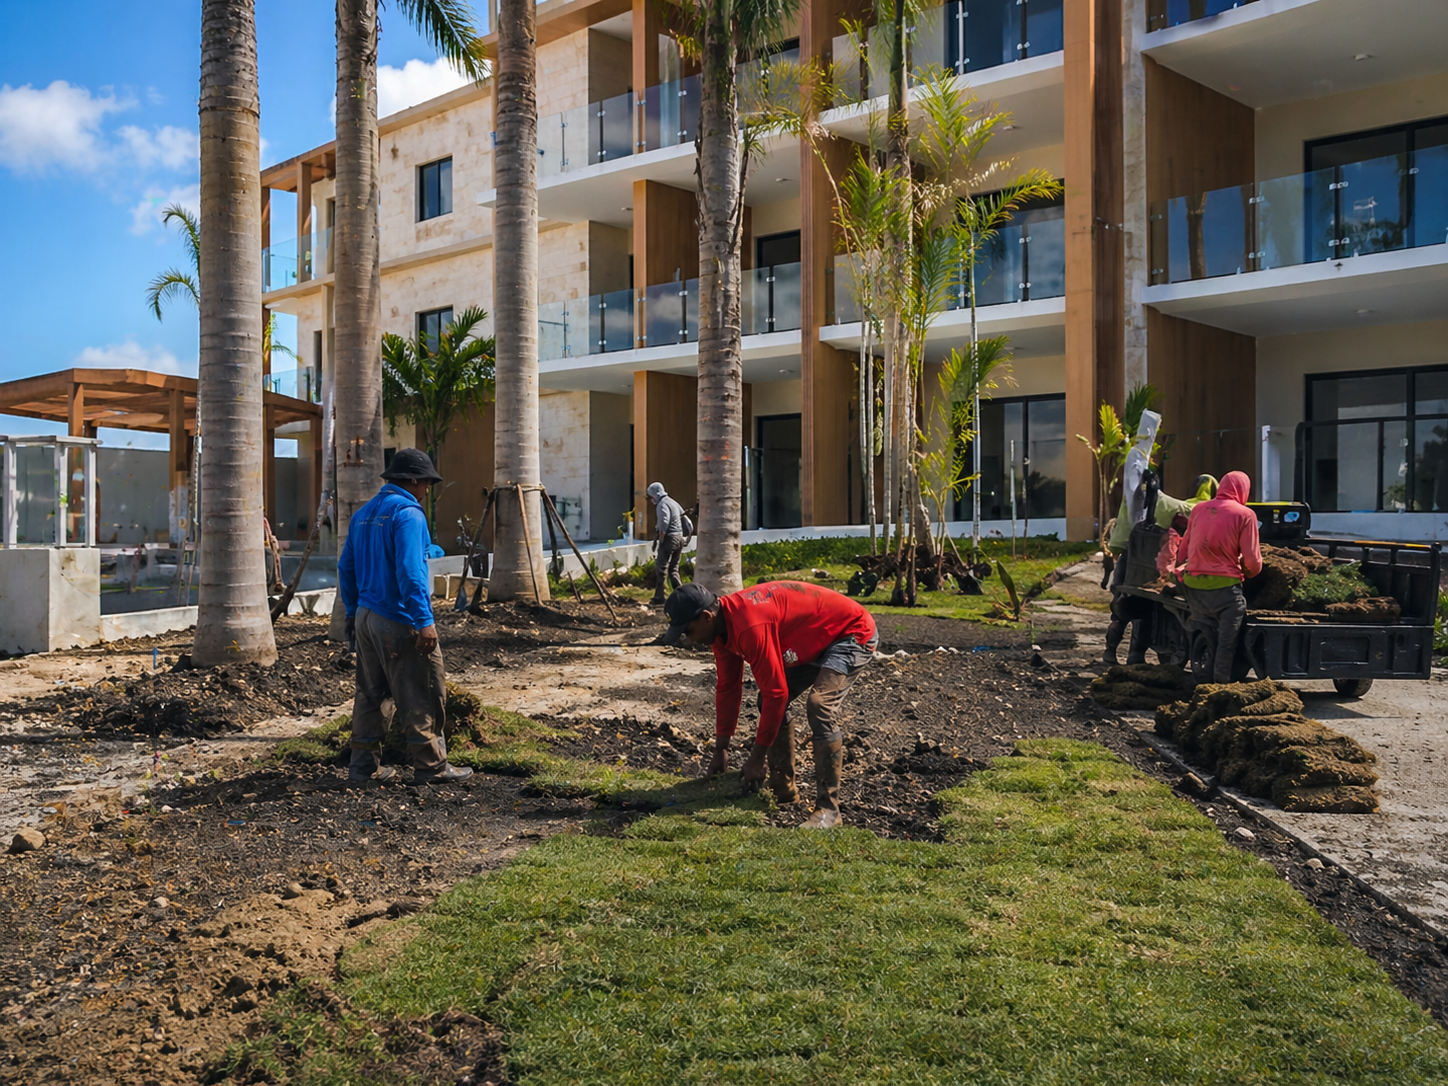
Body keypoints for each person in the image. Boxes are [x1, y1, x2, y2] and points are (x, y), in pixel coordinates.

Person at [660, 580, 878, 829]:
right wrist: (721, 748)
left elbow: (778, 694)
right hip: (814, 638)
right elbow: (729, 687)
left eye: (688, 631)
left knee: (820, 706)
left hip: (850, 632)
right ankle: (783, 788)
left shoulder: (750, 625)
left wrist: (756, 759)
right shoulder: (720, 632)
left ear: (707, 617)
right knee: (767, 700)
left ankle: (829, 811)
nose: (688, 639)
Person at [338, 448, 473, 785]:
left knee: (371, 695)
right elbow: (411, 572)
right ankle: (431, 767)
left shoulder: (365, 513)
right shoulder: (408, 514)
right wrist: (423, 621)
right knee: (422, 689)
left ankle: (362, 769)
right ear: (413, 480)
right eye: (427, 482)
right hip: (397, 619)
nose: (428, 489)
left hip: (366, 618)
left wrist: (353, 613)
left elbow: (345, 567)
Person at [1178, 469, 1262, 684]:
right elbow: (1253, 561)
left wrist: (1181, 568)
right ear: (1243, 490)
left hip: (1193, 585)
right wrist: (1249, 573)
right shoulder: (1245, 514)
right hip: (1224, 590)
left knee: (1204, 622)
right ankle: (1221, 682)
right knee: (1228, 637)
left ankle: (1200, 666)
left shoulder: (1198, 509)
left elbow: (1183, 549)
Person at [646, 481, 688, 605]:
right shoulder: (673, 502)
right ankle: (683, 595)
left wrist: (661, 539)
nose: (651, 499)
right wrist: (686, 537)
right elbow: (687, 521)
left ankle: (659, 597)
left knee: (661, 568)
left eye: (651, 496)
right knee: (673, 569)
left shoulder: (662, 504)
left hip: (669, 537)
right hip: (679, 537)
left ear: (655, 494)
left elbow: (664, 521)